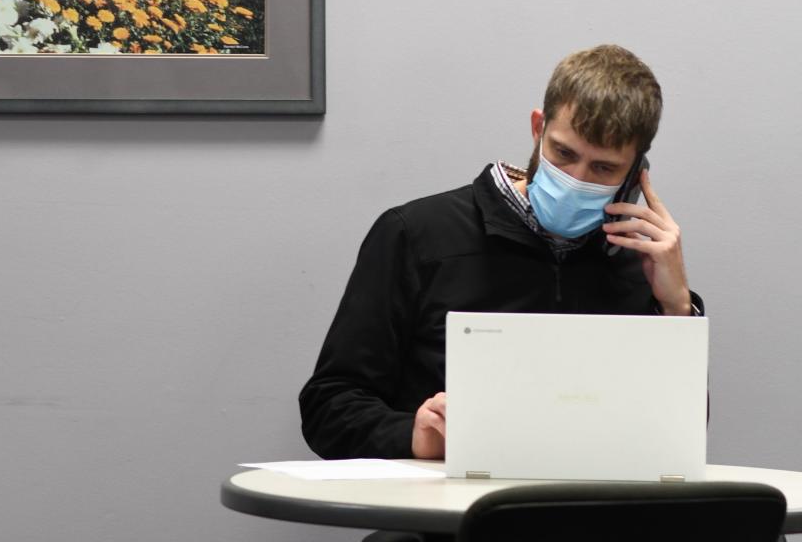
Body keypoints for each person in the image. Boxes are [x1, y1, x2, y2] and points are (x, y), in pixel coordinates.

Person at [299, 44, 703, 462]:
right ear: (537, 128)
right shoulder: (418, 234)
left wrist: (676, 307)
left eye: (603, 168)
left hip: (594, 513)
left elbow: (680, 438)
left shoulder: (640, 261)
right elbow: (328, 407)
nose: (576, 179)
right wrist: (412, 436)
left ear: (638, 171)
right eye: (564, 153)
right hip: (449, 515)